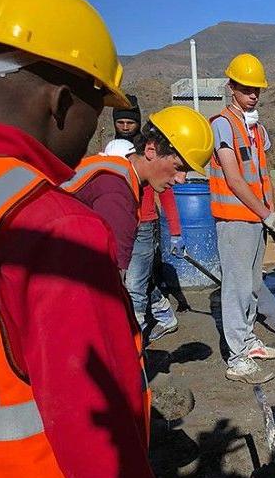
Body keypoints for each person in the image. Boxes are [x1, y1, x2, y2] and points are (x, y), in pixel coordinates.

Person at [0, 0, 159, 478]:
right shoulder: (58, 229)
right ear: (61, 103)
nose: (96, 132)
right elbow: (97, 435)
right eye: (97, 113)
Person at [63, 106, 214, 343]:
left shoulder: (115, 172)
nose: (181, 179)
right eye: (178, 167)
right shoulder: (117, 195)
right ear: (151, 149)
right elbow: (110, 293)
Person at [209, 53, 275, 384]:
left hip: (255, 219)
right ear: (231, 87)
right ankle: (237, 357)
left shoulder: (253, 127)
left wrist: (267, 213)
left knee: (253, 286)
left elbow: (260, 173)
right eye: (246, 88)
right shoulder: (223, 124)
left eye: (257, 89)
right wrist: (267, 213)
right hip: (236, 218)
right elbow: (234, 178)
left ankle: (248, 340)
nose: (253, 94)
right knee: (237, 287)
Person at [111, 95, 187, 341]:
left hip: (144, 225)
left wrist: (175, 231)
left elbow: (165, 194)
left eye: (129, 122)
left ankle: (136, 338)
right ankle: (163, 316)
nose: (124, 127)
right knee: (137, 281)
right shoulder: (114, 153)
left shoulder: (152, 157)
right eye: (120, 122)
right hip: (121, 224)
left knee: (134, 285)